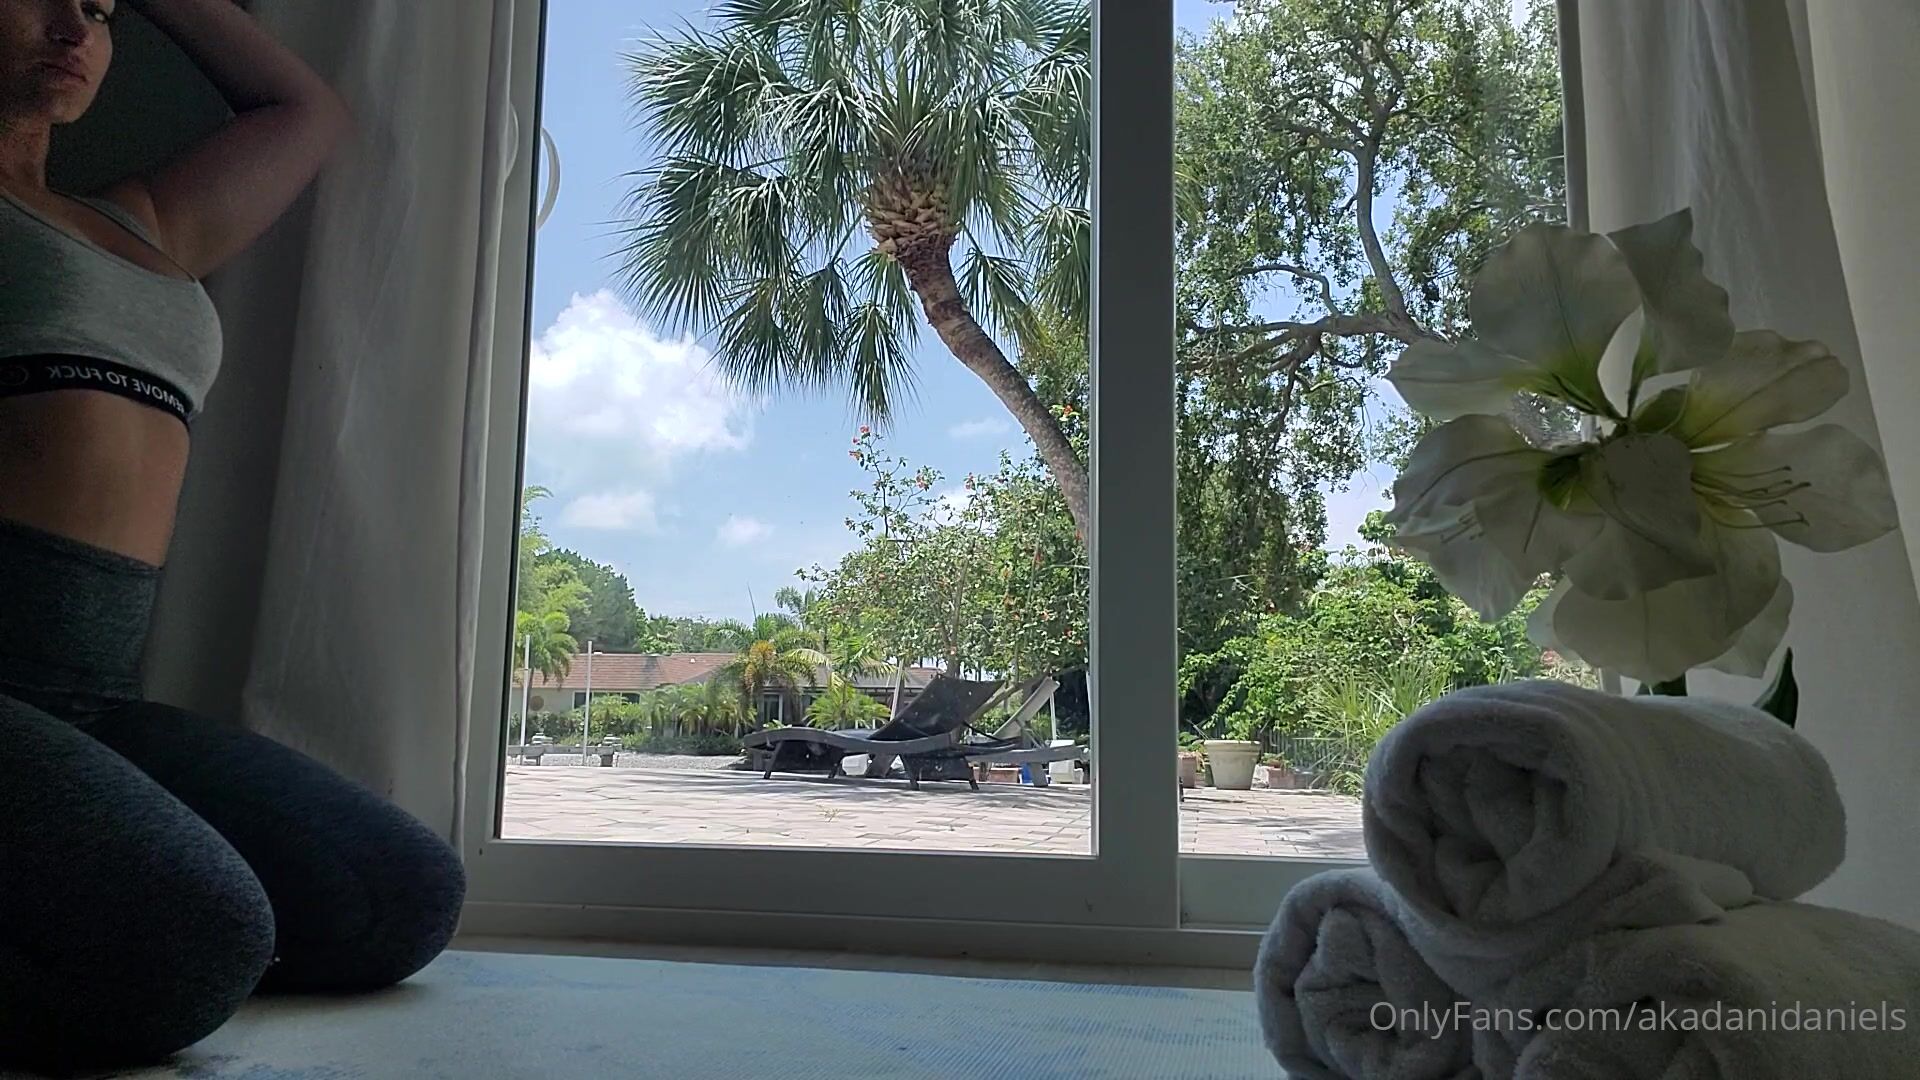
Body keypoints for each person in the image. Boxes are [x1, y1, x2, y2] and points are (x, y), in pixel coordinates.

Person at [0, 0, 465, 1071]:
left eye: (99, 10)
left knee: (393, 900)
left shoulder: (141, 224)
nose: (75, 27)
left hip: (90, 700)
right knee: (193, 949)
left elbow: (307, 112)